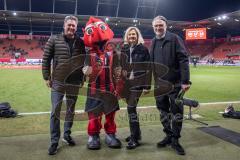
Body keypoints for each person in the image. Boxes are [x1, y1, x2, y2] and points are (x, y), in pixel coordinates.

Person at [42, 15, 86, 155]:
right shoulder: (54, 39)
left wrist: (83, 77)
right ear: (64, 25)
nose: (71, 27)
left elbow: (84, 60)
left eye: (74, 25)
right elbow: (46, 59)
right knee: (55, 111)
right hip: (58, 81)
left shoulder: (80, 42)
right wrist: (46, 77)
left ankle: (67, 135)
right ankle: (54, 141)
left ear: (76, 27)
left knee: (70, 110)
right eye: (69, 25)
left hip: (74, 82)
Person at [150, 15, 190, 155]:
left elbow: (183, 59)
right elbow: (152, 64)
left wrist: (185, 81)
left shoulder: (174, 39)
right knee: (163, 112)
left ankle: (175, 140)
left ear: (166, 26)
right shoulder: (154, 41)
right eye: (156, 26)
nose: (158, 28)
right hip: (160, 85)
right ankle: (168, 135)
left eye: (160, 25)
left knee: (177, 112)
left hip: (175, 84)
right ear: (153, 27)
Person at [82, 16, 122, 150]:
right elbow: (85, 70)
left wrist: (119, 87)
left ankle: (110, 134)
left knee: (110, 114)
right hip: (94, 90)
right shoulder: (89, 53)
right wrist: (86, 71)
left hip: (110, 89)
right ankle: (93, 136)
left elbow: (117, 70)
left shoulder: (113, 52)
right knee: (94, 115)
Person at [121, 26, 150, 149]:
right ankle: (136, 134)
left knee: (131, 108)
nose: (132, 36)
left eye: (134, 34)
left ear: (137, 36)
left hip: (138, 83)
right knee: (131, 109)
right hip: (127, 84)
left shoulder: (143, 49)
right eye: (130, 34)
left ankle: (135, 138)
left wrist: (147, 86)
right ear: (127, 36)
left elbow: (148, 68)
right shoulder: (124, 48)